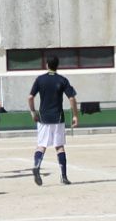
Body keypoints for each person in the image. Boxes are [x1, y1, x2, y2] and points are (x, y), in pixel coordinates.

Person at [28, 55, 79, 186]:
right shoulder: (62, 80)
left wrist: (33, 112)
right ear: (57, 65)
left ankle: (37, 165)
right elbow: (72, 98)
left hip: (43, 117)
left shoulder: (40, 79)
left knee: (41, 145)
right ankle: (64, 176)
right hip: (58, 117)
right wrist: (75, 115)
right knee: (59, 146)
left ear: (47, 65)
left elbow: (30, 97)